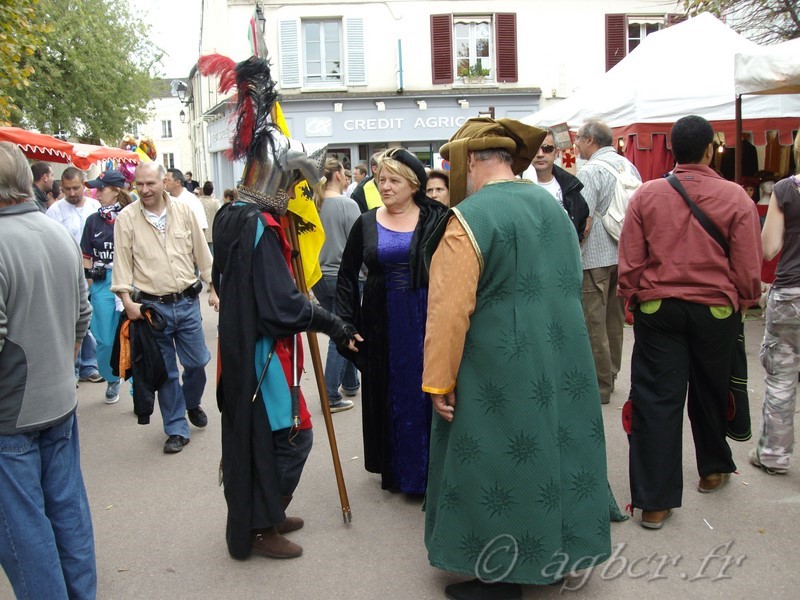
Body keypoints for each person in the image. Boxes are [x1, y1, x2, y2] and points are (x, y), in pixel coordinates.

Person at [422, 118, 611, 598]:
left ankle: (500, 577)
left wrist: (439, 379)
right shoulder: (552, 209)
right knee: (555, 452)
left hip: (496, 364)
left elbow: (448, 310)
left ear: (469, 160)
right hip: (560, 354)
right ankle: (556, 556)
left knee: (496, 464)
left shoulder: (468, 218)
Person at [200, 51, 361, 561]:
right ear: (279, 178)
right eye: (295, 184)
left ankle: (266, 510)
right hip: (261, 351)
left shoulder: (234, 214)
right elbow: (280, 304)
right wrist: (333, 323)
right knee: (289, 437)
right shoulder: (253, 225)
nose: (298, 194)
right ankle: (260, 523)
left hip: (246, 344)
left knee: (269, 436)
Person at [618, 115, 762, 529]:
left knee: (656, 400)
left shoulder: (646, 196)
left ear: (671, 151)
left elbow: (631, 261)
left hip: (658, 308)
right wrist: (745, 299)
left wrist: (633, 297)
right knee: (710, 389)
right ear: (710, 149)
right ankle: (713, 469)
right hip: (714, 308)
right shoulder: (736, 197)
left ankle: (655, 503)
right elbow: (747, 264)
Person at [0, 141, 97, 599]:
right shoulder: (56, 229)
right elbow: (81, 315)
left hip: (11, 414)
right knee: (67, 513)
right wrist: (61, 358)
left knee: (24, 533)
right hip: (57, 398)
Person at [337, 148, 447, 494]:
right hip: (381, 320)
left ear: (413, 184)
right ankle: (399, 472)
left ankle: (435, 471)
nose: (384, 186)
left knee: (430, 388)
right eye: (381, 178)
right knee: (388, 392)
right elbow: (346, 274)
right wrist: (346, 324)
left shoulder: (438, 218)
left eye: (393, 180)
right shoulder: (366, 221)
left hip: (428, 317)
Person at [111, 161, 218, 454]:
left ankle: (191, 402)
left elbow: (202, 252)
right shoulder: (127, 219)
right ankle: (176, 429)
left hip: (186, 302)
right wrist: (127, 300)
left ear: (163, 181)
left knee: (197, 362)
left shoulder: (184, 210)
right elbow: (120, 264)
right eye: (139, 185)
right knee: (167, 372)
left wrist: (214, 288)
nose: (144, 190)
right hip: (150, 310)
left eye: (150, 184)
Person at [574, 119, 641, 404]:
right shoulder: (628, 166)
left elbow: (583, 218)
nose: (575, 143)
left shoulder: (590, 171)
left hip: (596, 255)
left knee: (593, 321)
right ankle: (611, 374)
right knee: (614, 318)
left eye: (578, 138)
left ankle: (600, 386)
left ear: (590, 140)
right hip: (623, 251)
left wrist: (575, 247)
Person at [751, 131, 800, 476]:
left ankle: (773, 455)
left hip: (791, 294)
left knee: (782, 378)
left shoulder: (785, 190)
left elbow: (768, 249)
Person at [312, 156, 362, 413]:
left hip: (320, 277)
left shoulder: (313, 205)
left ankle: (351, 381)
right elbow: (359, 245)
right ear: (339, 176)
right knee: (340, 331)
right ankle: (330, 394)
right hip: (343, 277)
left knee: (344, 324)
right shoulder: (347, 205)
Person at [81, 169, 133, 404]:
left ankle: (137, 384)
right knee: (103, 338)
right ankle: (112, 377)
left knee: (133, 334)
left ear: (116, 190)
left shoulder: (132, 216)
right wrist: (87, 288)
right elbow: (86, 256)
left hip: (130, 281)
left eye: (101, 189)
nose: (96, 193)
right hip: (102, 283)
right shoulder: (93, 220)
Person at [47, 167, 104, 384]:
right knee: (72, 320)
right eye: (67, 188)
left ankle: (89, 365)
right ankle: (72, 368)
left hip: (93, 273)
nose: (72, 193)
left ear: (83, 186)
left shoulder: (95, 207)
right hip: (66, 273)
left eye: (76, 188)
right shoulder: (54, 211)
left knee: (90, 319)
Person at [532, 130, 590, 242]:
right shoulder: (516, 184)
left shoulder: (570, 185)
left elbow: (581, 221)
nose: (540, 154)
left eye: (547, 148)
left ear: (556, 153)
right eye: (535, 148)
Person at [165, 168, 209, 233]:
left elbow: (201, 228)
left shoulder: (192, 201)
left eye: (168, 180)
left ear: (178, 182)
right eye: (164, 180)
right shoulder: (164, 200)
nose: (165, 182)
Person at [198, 180, 221, 254]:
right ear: (212, 191)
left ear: (203, 190)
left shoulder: (198, 201)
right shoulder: (216, 202)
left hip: (201, 234)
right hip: (213, 233)